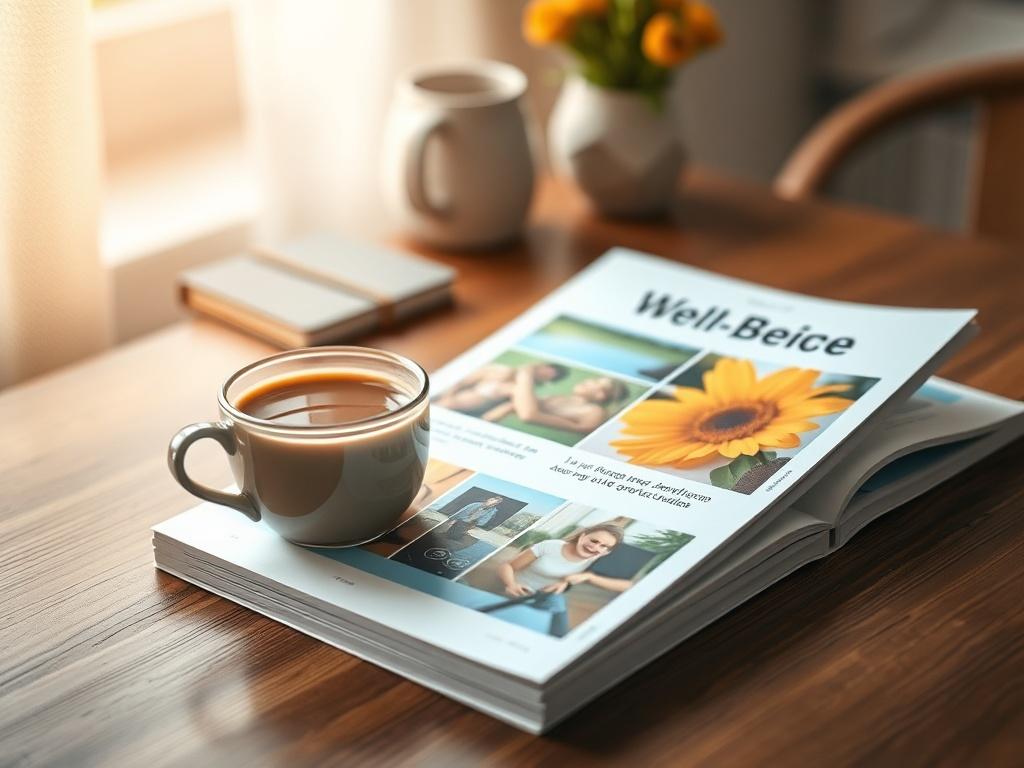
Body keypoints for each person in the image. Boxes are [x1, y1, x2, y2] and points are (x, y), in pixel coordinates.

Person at [495, 523, 632, 637]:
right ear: (583, 536)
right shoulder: (551, 546)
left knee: (556, 605)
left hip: (546, 597)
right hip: (517, 591)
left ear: (607, 551)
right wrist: (511, 584)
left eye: (604, 546)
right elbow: (507, 566)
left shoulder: (596, 559)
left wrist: (586, 577)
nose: (596, 547)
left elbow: (627, 586)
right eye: (594, 541)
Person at [484, 366, 629, 434]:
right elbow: (524, 405)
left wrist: (526, 375)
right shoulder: (562, 398)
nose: (589, 381)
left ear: (601, 396)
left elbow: (529, 415)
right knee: (499, 374)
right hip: (492, 407)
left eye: (597, 384)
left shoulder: (595, 412)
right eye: (594, 379)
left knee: (513, 386)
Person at [435, 362, 568, 418]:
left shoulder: (521, 391)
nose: (541, 375)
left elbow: (525, 411)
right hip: (448, 401)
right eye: (542, 371)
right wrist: (448, 396)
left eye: (545, 377)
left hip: (469, 413)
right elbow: (462, 382)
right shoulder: (501, 372)